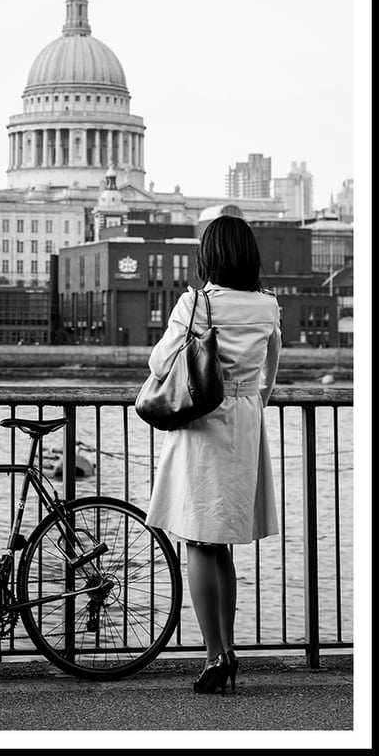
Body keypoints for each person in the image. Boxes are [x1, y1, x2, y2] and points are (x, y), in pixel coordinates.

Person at [144, 215, 281, 696]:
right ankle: (228, 651)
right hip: (245, 420)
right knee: (221, 542)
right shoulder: (267, 304)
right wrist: (250, 401)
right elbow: (271, 369)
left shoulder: (196, 302)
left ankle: (212, 655)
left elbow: (160, 362)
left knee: (199, 539)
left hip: (203, 424)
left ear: (211, 255)